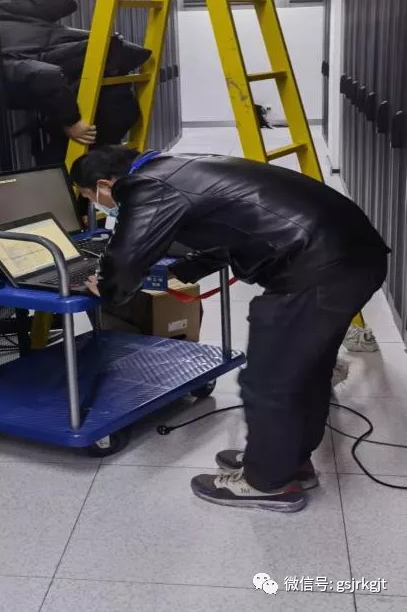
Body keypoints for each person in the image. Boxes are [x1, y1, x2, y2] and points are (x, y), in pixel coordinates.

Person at [70, 145, 389, 514]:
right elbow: (231, 229)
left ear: (105, 185)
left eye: (90, 197)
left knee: (270, 381)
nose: (96, 205)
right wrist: (180, 271)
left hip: (317, 271)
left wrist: (108, 287)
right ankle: (286, 463)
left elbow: (125, 257)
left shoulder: (144, 186)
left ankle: (267, 483)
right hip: (352, 257)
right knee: (306, 372)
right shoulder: (180, 167)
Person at [0, 0, 151, 164]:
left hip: (93, 102)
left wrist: (72, 122)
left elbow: (44, 75)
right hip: (106, 76)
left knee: (76, 160)